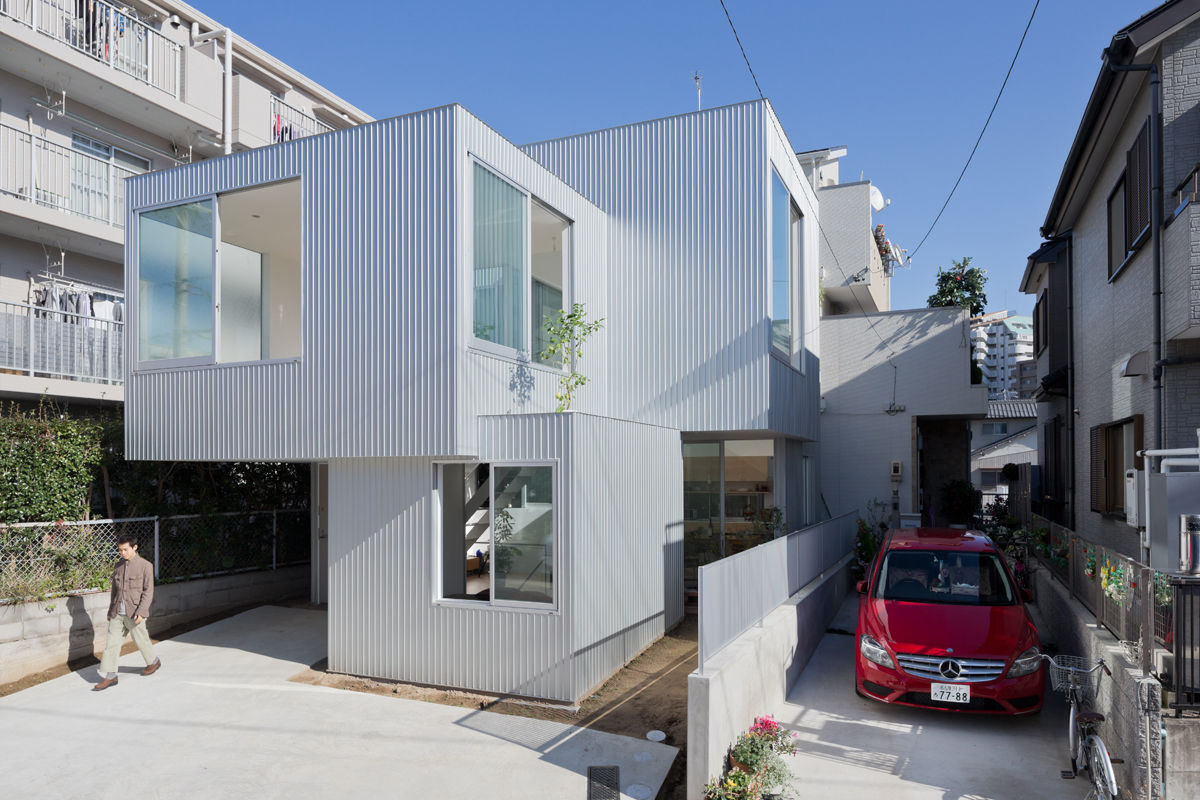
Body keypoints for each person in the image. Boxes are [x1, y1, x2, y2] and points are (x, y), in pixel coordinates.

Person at [93, 533, 160, 691]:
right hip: (117, 613)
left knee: (141, 640)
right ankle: (111, 676)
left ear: (134, 547)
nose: (122, 553)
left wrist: (142, 611)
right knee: (111, 644)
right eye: (120, 550)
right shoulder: (118, 566)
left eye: (125, 550)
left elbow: (148, 591)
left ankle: (154, 661)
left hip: (134, 612)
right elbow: (114, 592)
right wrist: (111, 611)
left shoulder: (146, 566)